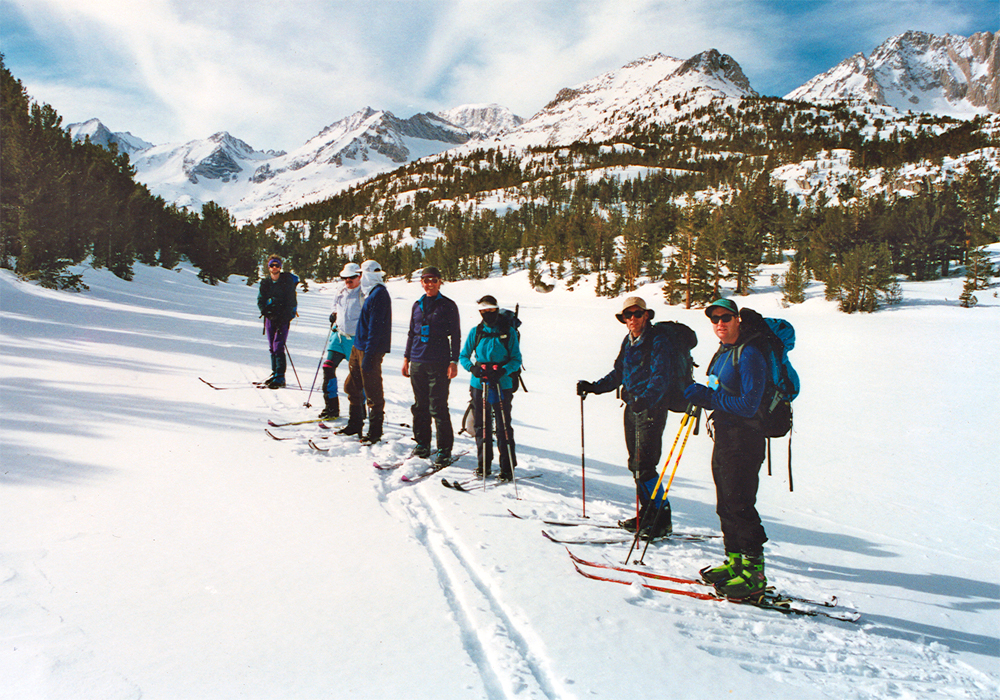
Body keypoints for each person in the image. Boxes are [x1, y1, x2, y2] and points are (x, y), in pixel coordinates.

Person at [683, 298, 769, 601]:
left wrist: (709, 399)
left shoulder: (750, 355)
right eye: (714, 319)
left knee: (740, 503)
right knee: (725, 502)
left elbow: (749, 405)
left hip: (746, 439)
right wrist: (705, 394)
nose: (720, 323)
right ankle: (735, 563)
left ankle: (754, 573)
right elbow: (719, 388)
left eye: (726, 317)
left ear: (738, 320)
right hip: (725, 435)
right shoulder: (724, 352)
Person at [576, 297, 680, 540]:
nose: (632, 319)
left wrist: (647, 398)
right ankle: (648, 514)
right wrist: (594, 387)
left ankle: (661, 518)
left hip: (651, 409)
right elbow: (619, 373)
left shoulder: (658, 340)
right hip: (633, 406)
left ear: (646, 315)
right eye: (627, 315)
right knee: (636, 463)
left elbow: (661, 376)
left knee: (645, 465)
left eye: (637, 313)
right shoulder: (629, 341)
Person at [401, 266, 461, 464]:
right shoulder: (417, 305)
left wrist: (454, 361)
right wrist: (406, 358)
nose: (430, 284)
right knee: (420, 406)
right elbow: (412, 332)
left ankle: (444, 449)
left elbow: (456, 335)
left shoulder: (448, 305)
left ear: (440, 282)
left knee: (438, 407)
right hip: (418, 361)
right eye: (426, 280)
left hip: (439, 363)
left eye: (433, 280)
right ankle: (422, 444)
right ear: (421, 282)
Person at [458, 295, 522, 481]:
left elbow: (516, 359)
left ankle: (507, 467)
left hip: (502, 383)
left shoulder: (508, 332)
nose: (487, 314)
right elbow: (464, 356)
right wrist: (474, 368)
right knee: (482, 424)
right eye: (483, 311)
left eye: (491, 310)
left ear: (497, 309)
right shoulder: (476, 331)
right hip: (479, 383)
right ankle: (483, 464)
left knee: (503, 425)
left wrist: (503, 370)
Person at [339, 260, 392, 444]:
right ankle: (355, 424)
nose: (360, 277)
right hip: (358, 346)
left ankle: (375, 432)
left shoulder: (379, 294)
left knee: (372, 390)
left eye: (363, 274)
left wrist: (369, 355)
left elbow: (376, 329)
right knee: (352, 386)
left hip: (370, 350)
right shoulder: (370, 293)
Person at [319, 262, 363, 419]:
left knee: (358, 376)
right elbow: (335, 306)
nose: (348, 281)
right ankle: (331, 408)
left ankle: (360, 410)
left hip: (355, 341)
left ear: (359, 276)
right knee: (328, 368)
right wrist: (334, 314)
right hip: (338, 337)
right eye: (345, 278)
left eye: (352, 277)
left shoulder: (364, 294)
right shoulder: (340, 291)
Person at [256, 255, 298, 388]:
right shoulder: (265, 283)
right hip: (270, 318)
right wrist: (266, 311)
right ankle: (275, 373)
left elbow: (291, 301)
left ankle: (280, 377)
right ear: (268, 267)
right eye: (272, 265)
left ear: (280, 267)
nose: (274, 268)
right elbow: (260, 300)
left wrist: (284, 316)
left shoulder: (287, 282)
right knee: (271, 346)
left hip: (282, 319)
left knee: (278, 345)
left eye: (277, 265)